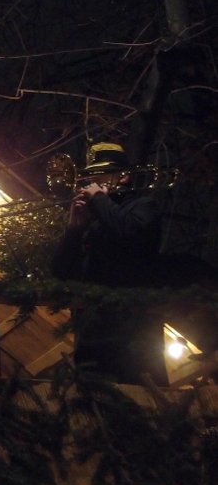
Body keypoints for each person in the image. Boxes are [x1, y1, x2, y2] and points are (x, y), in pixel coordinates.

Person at [51, 142, 168, 385]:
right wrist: (74, 229)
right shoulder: (95, 220)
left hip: (133, 336)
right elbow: (60, 273)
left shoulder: (143, 206)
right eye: (89, 175)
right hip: (91, 336)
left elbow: (130, 234)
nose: (90, 180)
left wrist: (100, 201)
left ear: (123, 176)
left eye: (100, 173)